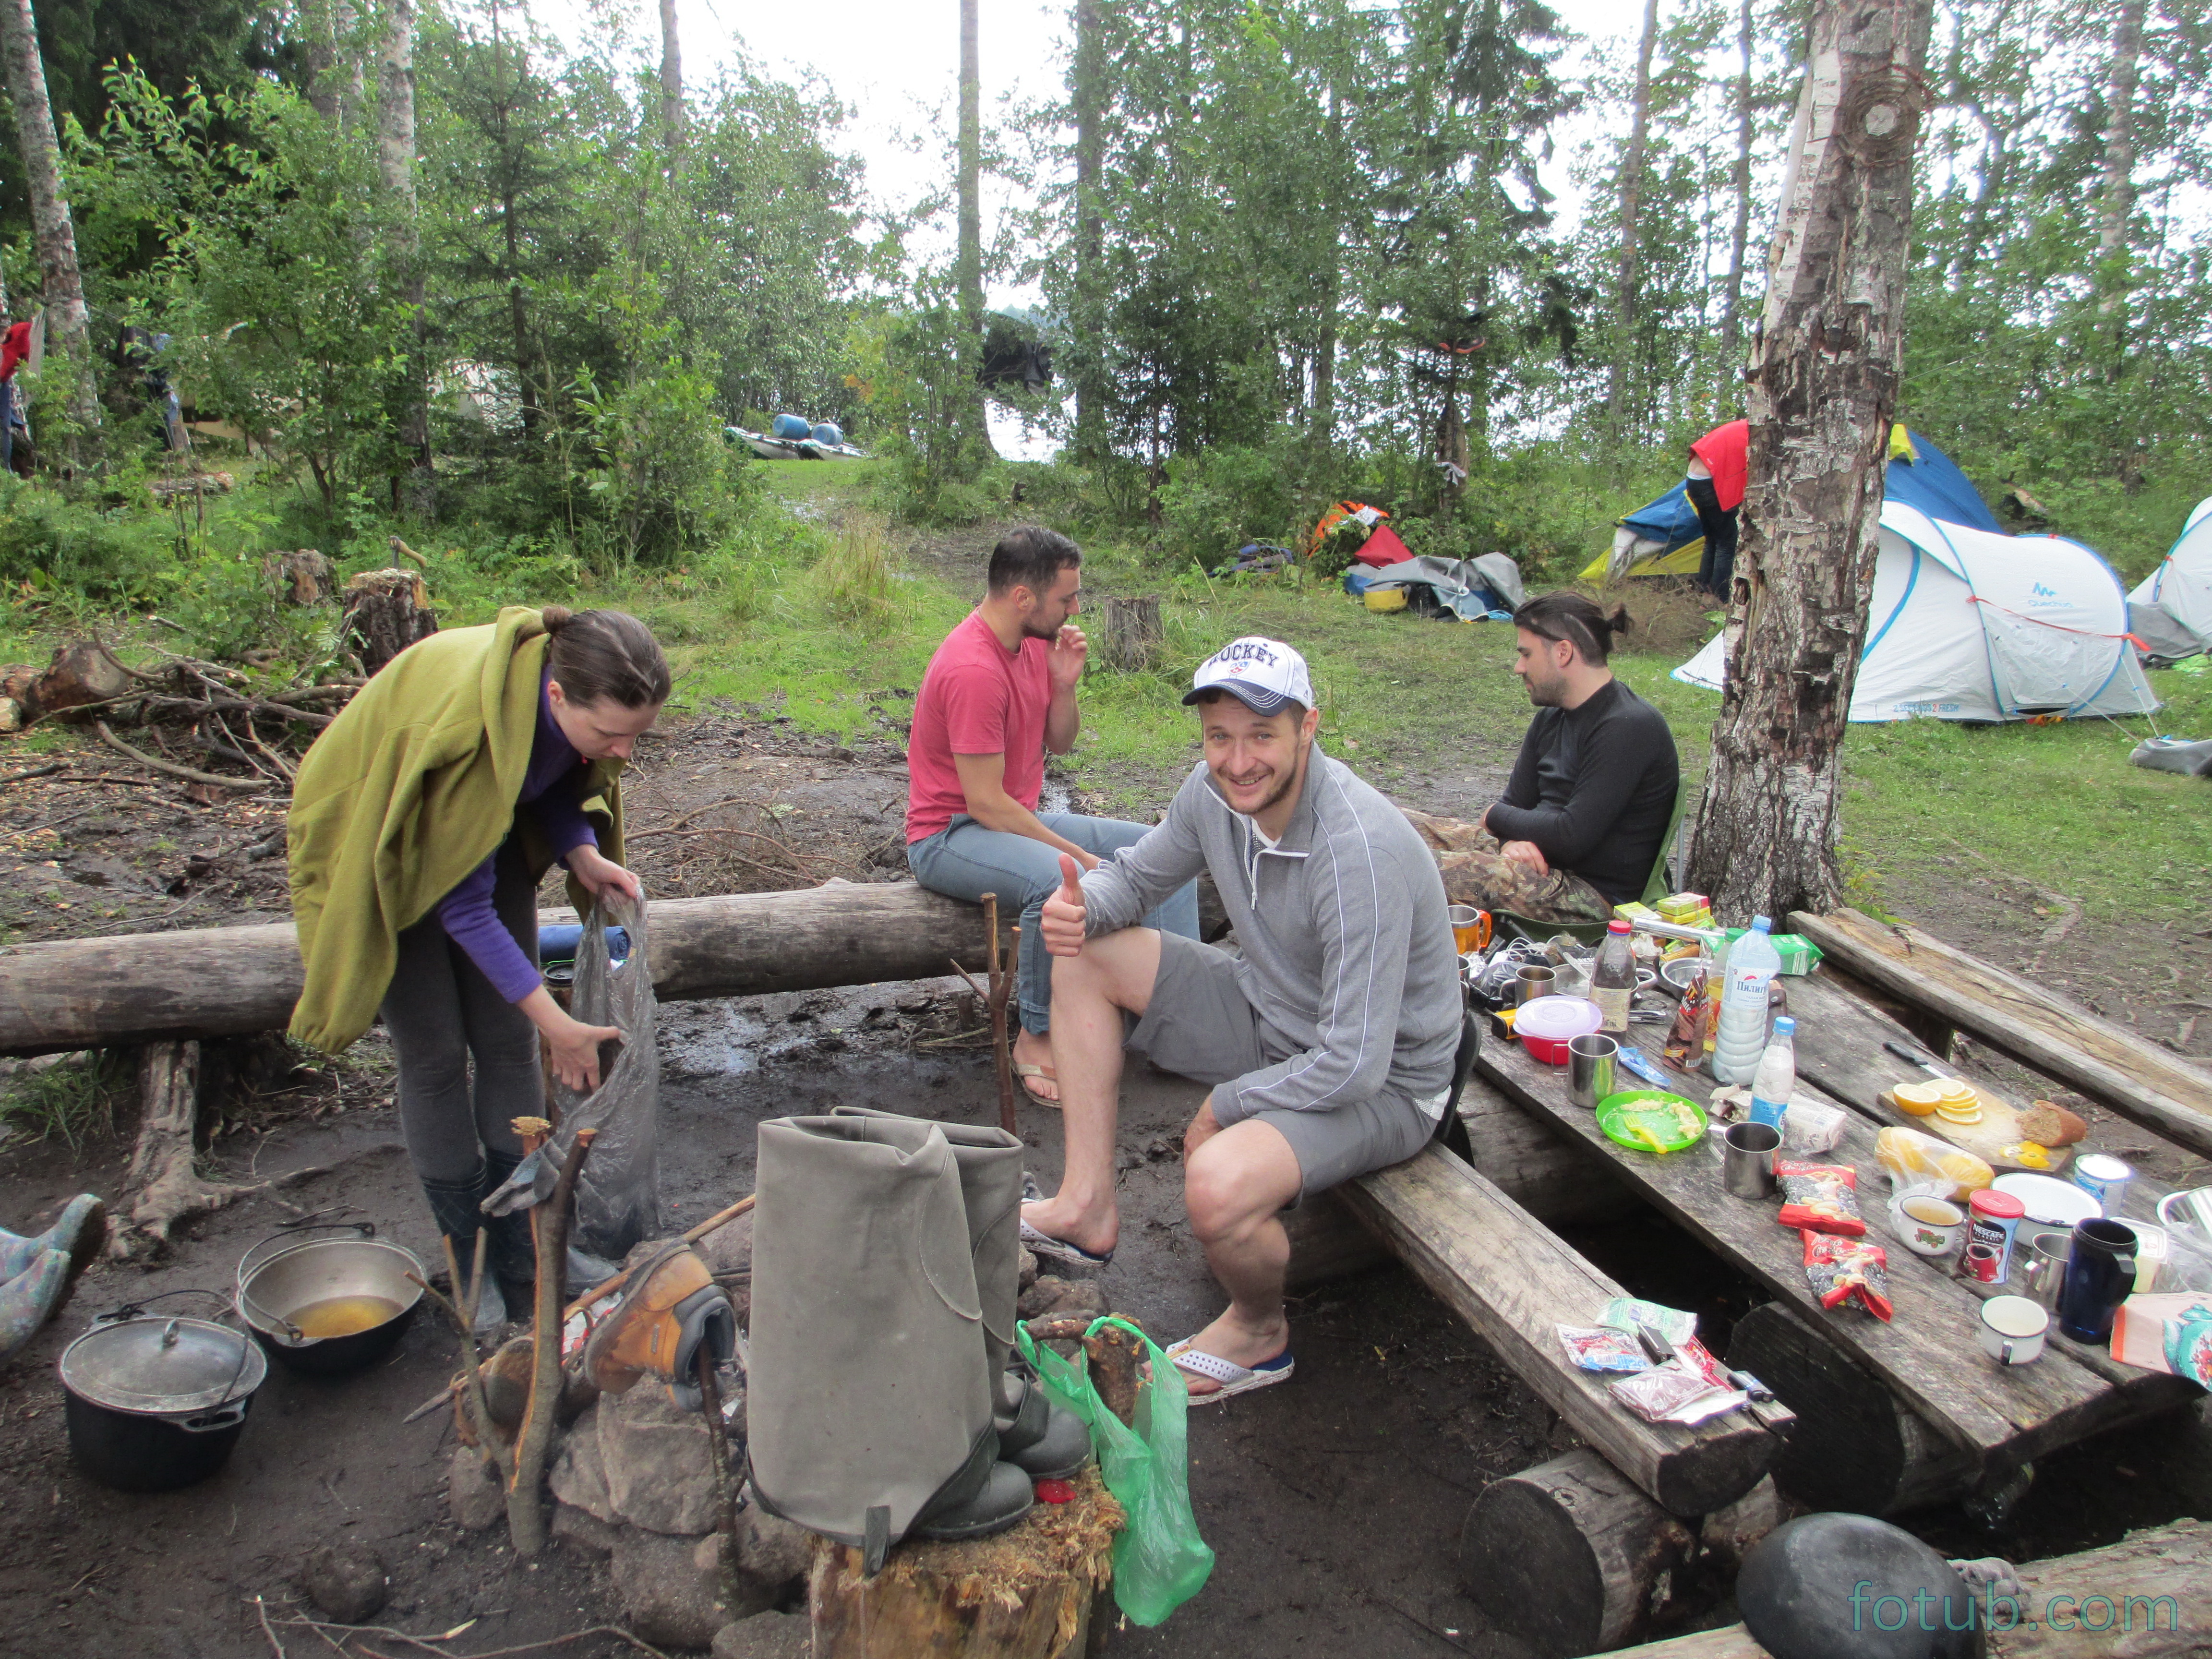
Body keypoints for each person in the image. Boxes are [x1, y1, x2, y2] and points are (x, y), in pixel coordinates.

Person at [1018, 637, 1460, 1401]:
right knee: (1085, 958)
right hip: (1271, 1010)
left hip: (1387, 1082)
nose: (1239, 760)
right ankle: (1086, 1206)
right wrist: (1079, 911)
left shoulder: (1358, 850)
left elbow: (1356, 1060)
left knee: (1216, 1183)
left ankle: (1260, 1331)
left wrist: (1228, 1104)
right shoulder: (1211, 796)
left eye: (1262, 735)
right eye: (1220, 736)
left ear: (1307, 728)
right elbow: (1137, 879)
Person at [288, 606, 668, 1329]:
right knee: (434, 1054)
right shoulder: (471, 734)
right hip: (383, 843)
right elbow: (463, 911)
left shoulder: (566, 711)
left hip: (475, 831)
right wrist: (559, 1023)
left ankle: (525, 1248)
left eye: (635, 733)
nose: (622, 750)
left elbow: (556, 778)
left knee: (505, 1041)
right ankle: (467, 1259)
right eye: (610, 732)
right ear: (557, 694)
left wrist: (580, 850)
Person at [905, 526, 1198, 1104]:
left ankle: (1180, 1021)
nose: (1076, 609)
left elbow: (1059, 744)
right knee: (1059, 879)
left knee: (1165, 851)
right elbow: (985, 803)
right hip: (949, 835)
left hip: (1009, 818)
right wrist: (1083, 858)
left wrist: (1064, 687)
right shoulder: (973, 668)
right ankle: (1035, 1035)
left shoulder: (1034, 645)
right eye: (1067, 598)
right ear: (1023, 598)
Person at [1436, 592, 1679, 925]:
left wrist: (1494, 815)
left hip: (1592, 896)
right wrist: (1509, 844)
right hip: (1539, 866)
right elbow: (1514, 806)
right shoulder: (1552, 717)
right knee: (1396, 828)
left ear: (1563, 652)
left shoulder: (1629, 726)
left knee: (1421, 866)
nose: (1518, 667)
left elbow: (1571, 837)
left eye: (1526, 654)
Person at [1685, 417, 1747, 599]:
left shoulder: (1740, 427)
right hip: (1709, 482)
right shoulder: (1754, 433)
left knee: (1712, 539)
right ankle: (1720, 598)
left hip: (1694, 480)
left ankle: (1704, 593)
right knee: (1726, 543)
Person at [1, 313, 35, 479]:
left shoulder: (18, 333)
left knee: (6, 428)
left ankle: (7, 468)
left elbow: (28, 330)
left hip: (3, 385)